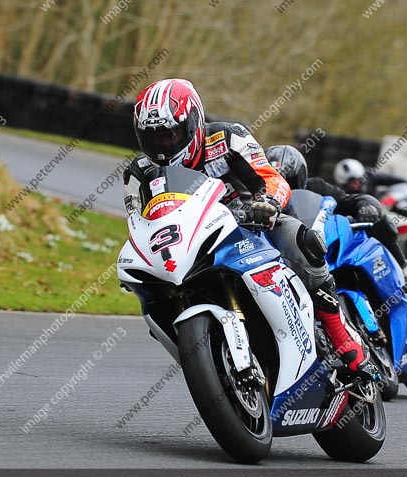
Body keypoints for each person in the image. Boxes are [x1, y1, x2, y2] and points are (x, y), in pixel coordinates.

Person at [122, 79, 375, 379]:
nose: (163, 147)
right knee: (154, 297)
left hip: (254, 224)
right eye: (153, 140)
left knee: (301, 239)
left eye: (170, 135)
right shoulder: (139, 172)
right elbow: (140, 220)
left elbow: (270, 178)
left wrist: (267, 203)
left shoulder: (228, 138)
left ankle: (339, 333)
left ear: (193, 123)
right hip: (193, 241)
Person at [265, 145, 407, 316]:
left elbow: (347, 200)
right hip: (289, 262)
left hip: (325, 247)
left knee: (378, 221)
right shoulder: (257, 202)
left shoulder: (316, 187)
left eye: (288, 182)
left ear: (300, 178)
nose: (282, 190)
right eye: (274, 182)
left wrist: (365, 206)